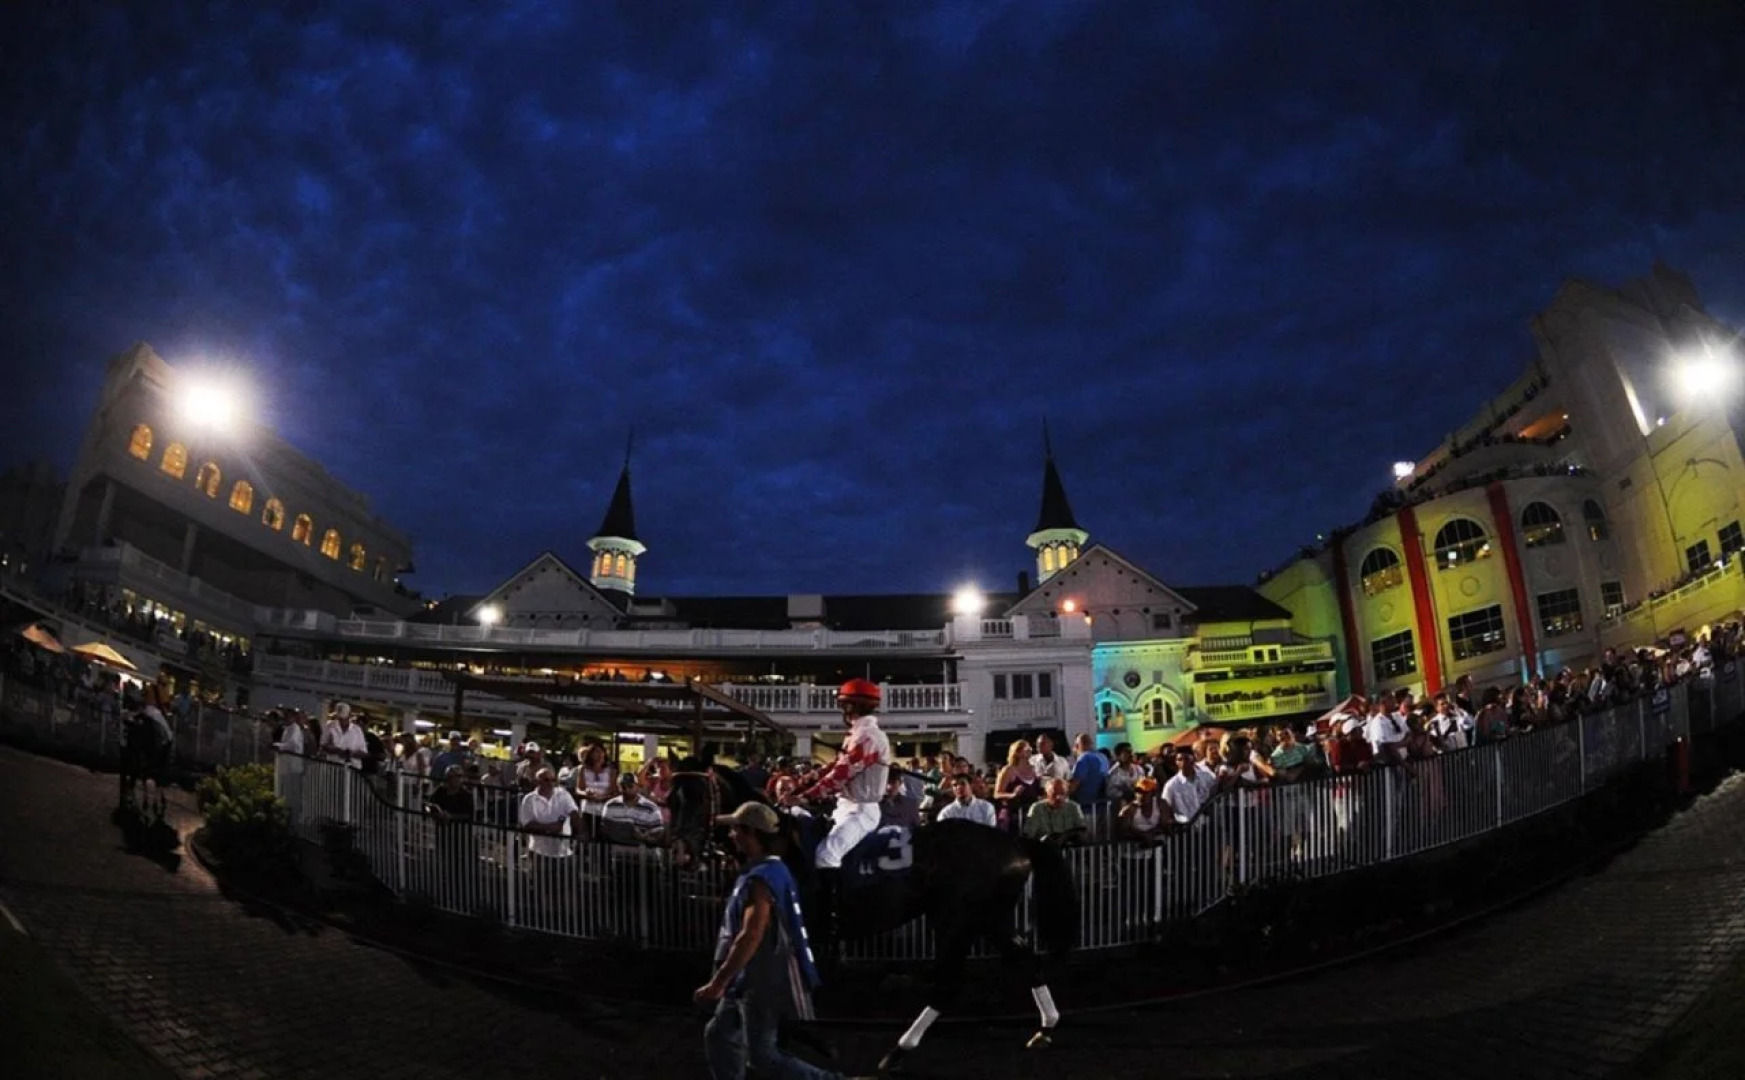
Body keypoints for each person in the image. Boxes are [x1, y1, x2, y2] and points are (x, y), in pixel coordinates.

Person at [696, 803, 863, 1080]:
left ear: (751, 833)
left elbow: (751, 934)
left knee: (763, 1056)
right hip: (750, 976)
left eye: (736, 829)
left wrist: (718, 982)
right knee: (719, 1035)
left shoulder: (762, 878)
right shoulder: (766, 871)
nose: (731, 835)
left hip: (760, 978)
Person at [796, 679, 892, 939]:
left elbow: (844, 772)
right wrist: (812, 776)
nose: (842, 709)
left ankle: (831, 920)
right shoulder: (857, 733)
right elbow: (837, 765)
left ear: (853, 705)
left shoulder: (869, 735)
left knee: (826, 855)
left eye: (844, 704)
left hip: (862, 810)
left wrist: (806, 797)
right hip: (844, 807)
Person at [1023, 778, 1088, 844]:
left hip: (1068, 848)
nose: (1058, 797)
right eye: (1054, 794)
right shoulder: (1037, 808)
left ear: (1066, 794)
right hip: (1045, 848)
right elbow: (1029, 835)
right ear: (1047, 793)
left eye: (1062, 794)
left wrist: (1067, 837)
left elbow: (1082, 831)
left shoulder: (1073, 807)